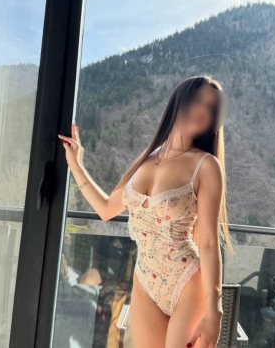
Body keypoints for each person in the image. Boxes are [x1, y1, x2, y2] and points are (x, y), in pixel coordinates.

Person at [58, 74, 234, 348]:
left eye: (211, 108)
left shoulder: (206, 165)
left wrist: (215, 310)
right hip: (145, 281)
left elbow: (209, 243)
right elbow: (106, 209)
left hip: (188, 281)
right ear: (179, 101)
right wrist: (76, 166)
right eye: (198, 100)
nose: (203, 110)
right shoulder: (146, 159)